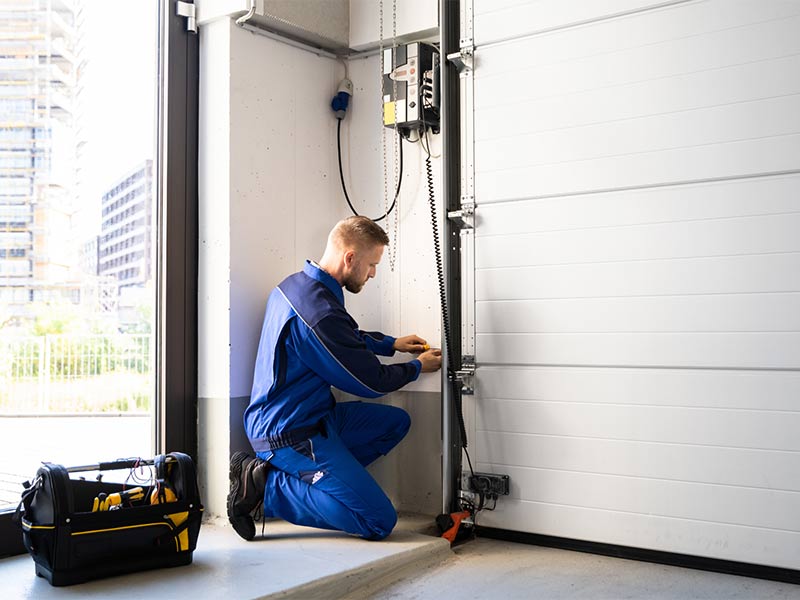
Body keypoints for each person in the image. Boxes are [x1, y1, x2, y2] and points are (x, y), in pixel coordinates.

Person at [228, 215, 442, 541]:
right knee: (378, 521)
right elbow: (371, 382)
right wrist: (416, 367)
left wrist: (391, 344)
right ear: (350, 258)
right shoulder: (318, 314)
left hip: (315, 418)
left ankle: (326, 484)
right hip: (288, 434)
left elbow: (343, 338)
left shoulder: (297, 286)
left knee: (395, 423)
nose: (372, 273)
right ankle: (266, 488)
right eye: (372, 265)